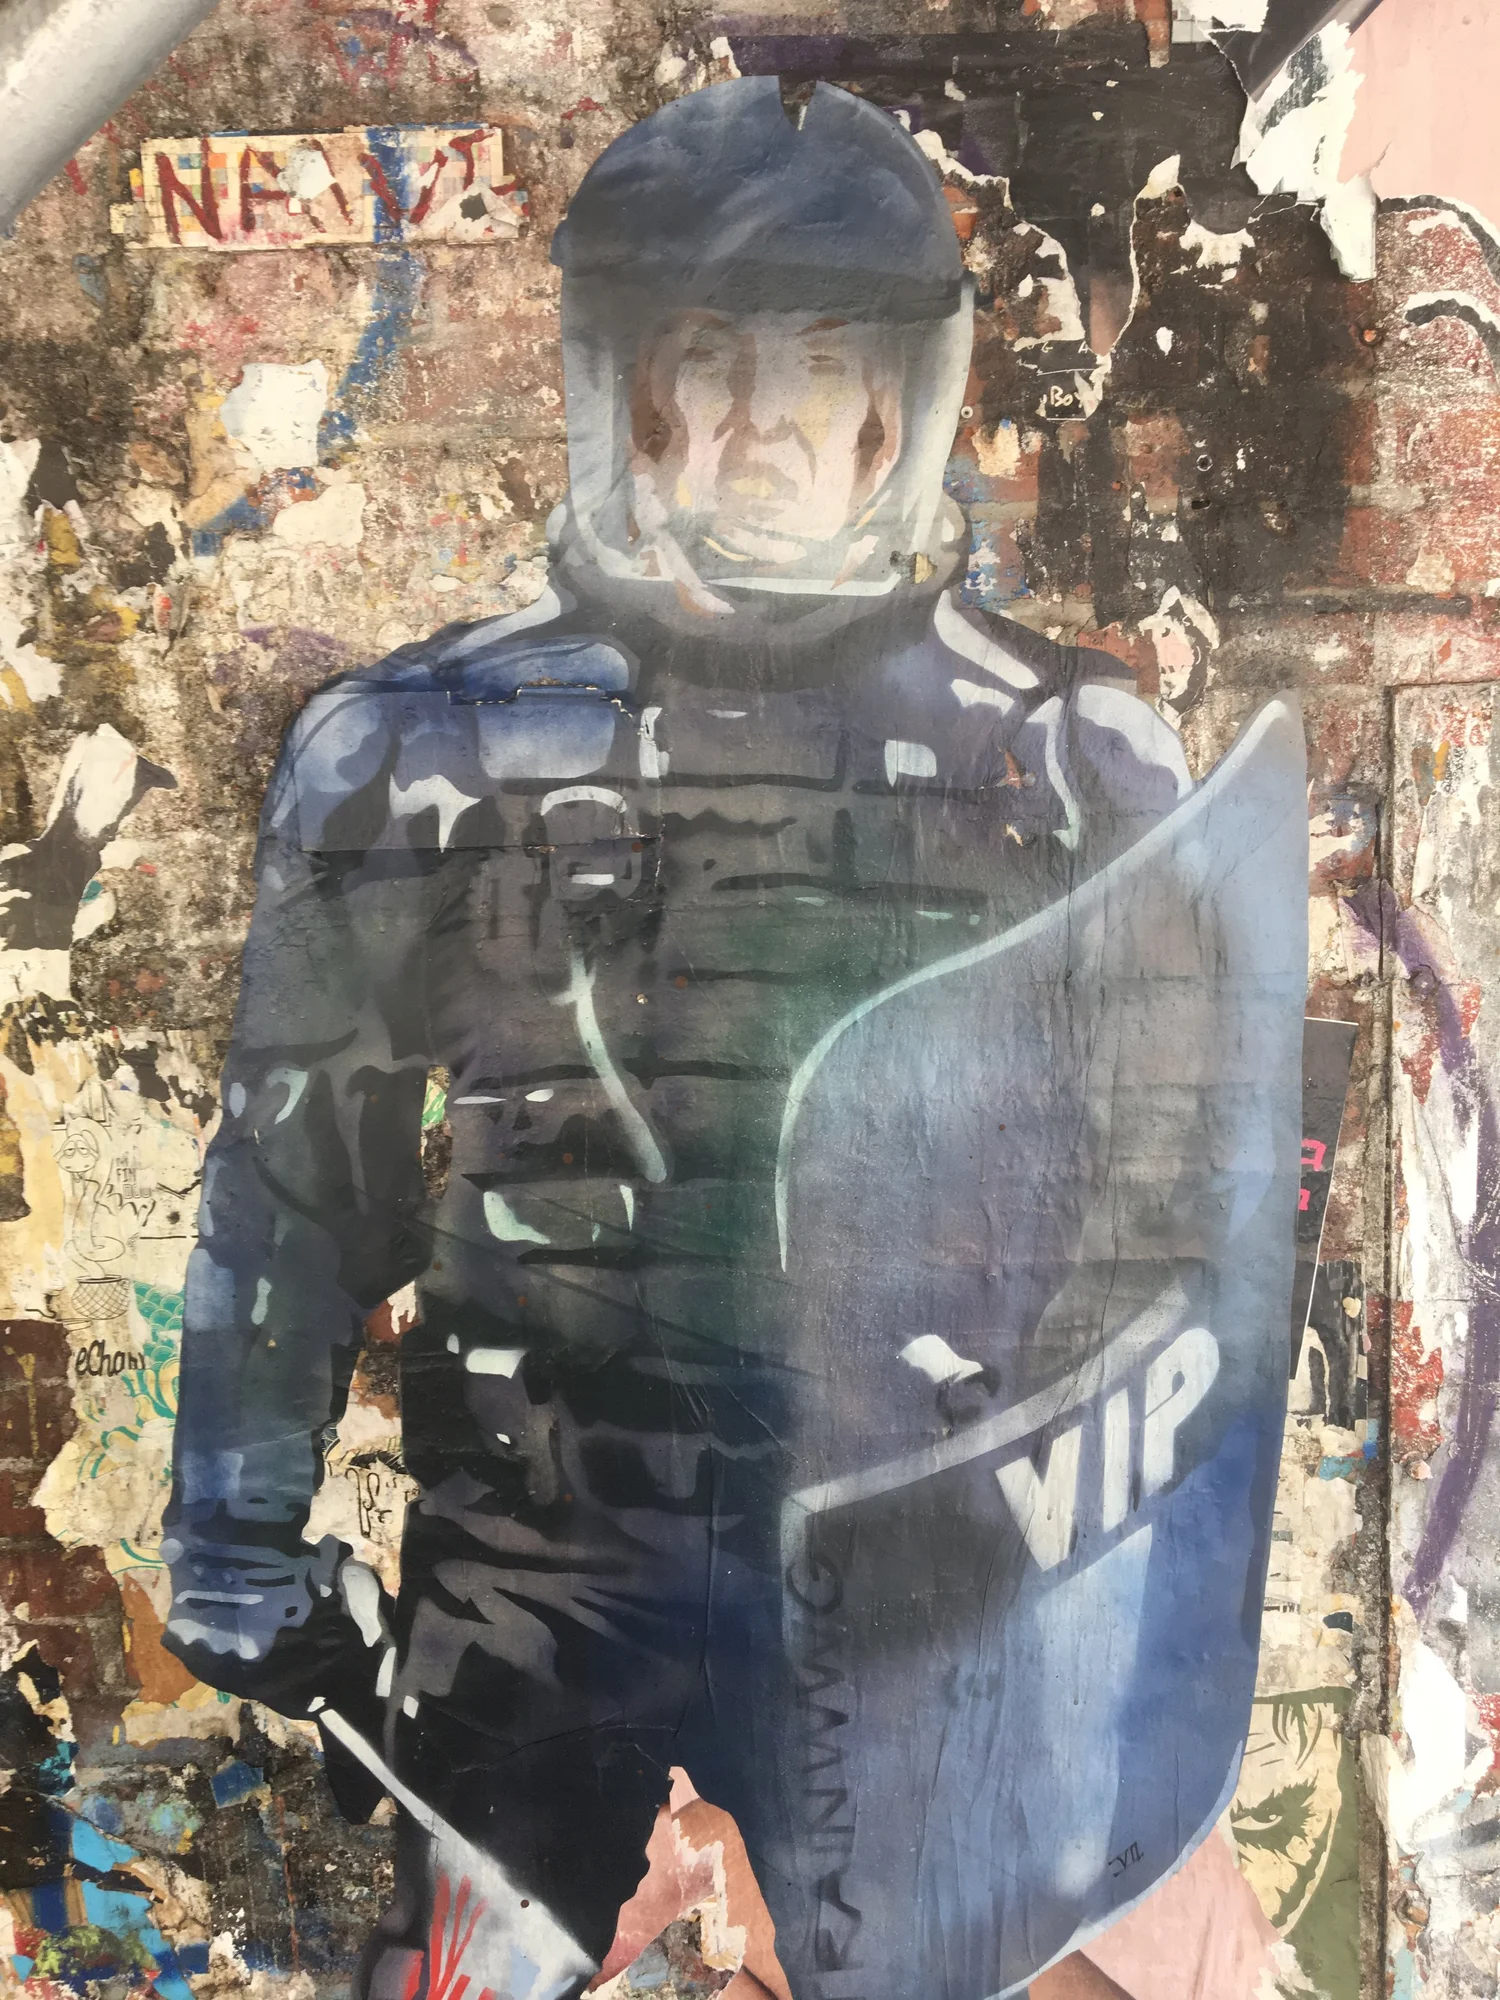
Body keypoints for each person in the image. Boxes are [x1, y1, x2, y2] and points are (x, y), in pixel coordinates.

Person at [163, 77, 1305, 2000]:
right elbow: (292, 1190)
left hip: (934, 1618)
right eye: (713, 355)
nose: (767, 420)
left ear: (895, 406)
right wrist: (237, 1537)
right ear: (633, 390)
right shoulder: (417, 757)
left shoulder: (1066, 761)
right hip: (539, 1608)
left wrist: (1109, 1625)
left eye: (824, 358)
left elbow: (1177, 1238)